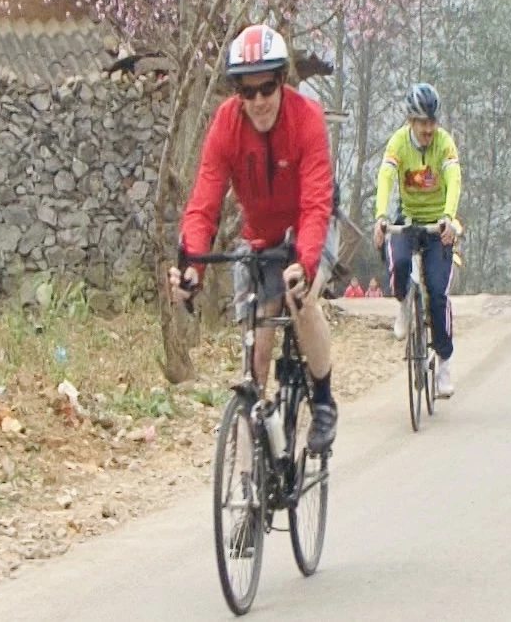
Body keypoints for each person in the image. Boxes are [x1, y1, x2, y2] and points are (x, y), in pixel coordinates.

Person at [169, 23, 338, 454]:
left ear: (281, 81)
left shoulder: (307, 118)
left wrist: (305, 262)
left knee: (301, 301)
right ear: (237, 93)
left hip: (309, 228)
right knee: (256, 358)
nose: (259, 101)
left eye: (267, 88)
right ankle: (250, 476)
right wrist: (192, 266)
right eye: (247, 91)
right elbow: (203, 202)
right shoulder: (226, 124)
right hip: (262, 239)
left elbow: (315, 204)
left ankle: (322, 400)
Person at [373, 83, 463, 398]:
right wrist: (380, 216)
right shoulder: (398, 142)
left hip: (439, 225)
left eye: (432, 121)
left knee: (437, 294)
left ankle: (444, 364)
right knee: (398, 262)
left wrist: (449, 216)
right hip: (409, 219)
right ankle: (403, 303)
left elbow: (453, 179)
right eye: (422, 122)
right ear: (410, 121)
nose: (428, 129)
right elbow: (386, 177)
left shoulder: (444, 143)